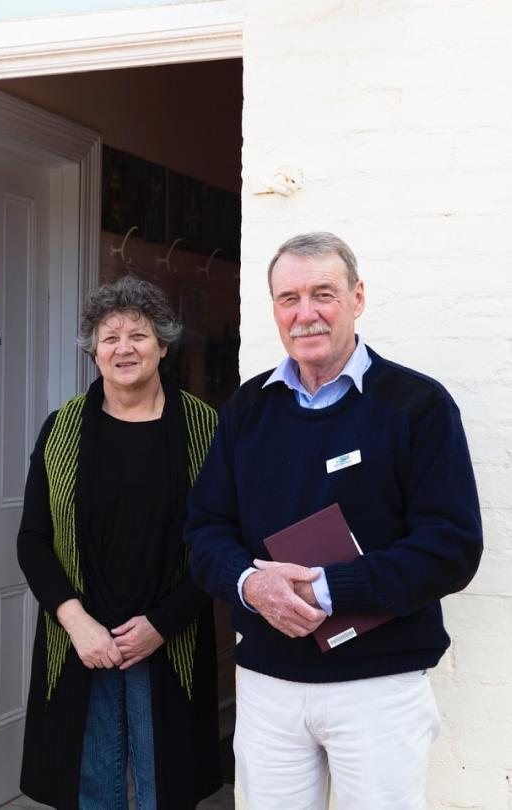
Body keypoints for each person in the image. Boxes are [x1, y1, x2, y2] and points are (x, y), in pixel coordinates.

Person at [185, 232, 483, 810]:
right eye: (289, 298)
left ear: (357, 298)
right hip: (270, 685)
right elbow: (204, 532)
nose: (306, 313)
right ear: (274, 308)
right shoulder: (246, 409)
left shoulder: (418, 406)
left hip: (377, 688)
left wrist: (326, 589)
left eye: (323, 293)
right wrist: (251, 583)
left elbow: (451, 547)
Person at [17, 275, 222, 810]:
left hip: (168, 639)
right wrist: (76, 621)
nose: (123, 348)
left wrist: (163, 623)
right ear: (93, 351)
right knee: (90, 792)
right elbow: (33, 540)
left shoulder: (206, 429)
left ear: (163, 345)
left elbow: (222, 541)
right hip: (84, 644)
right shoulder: (61, 429)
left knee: (165, 791)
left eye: (138, 335)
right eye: (110, 337)